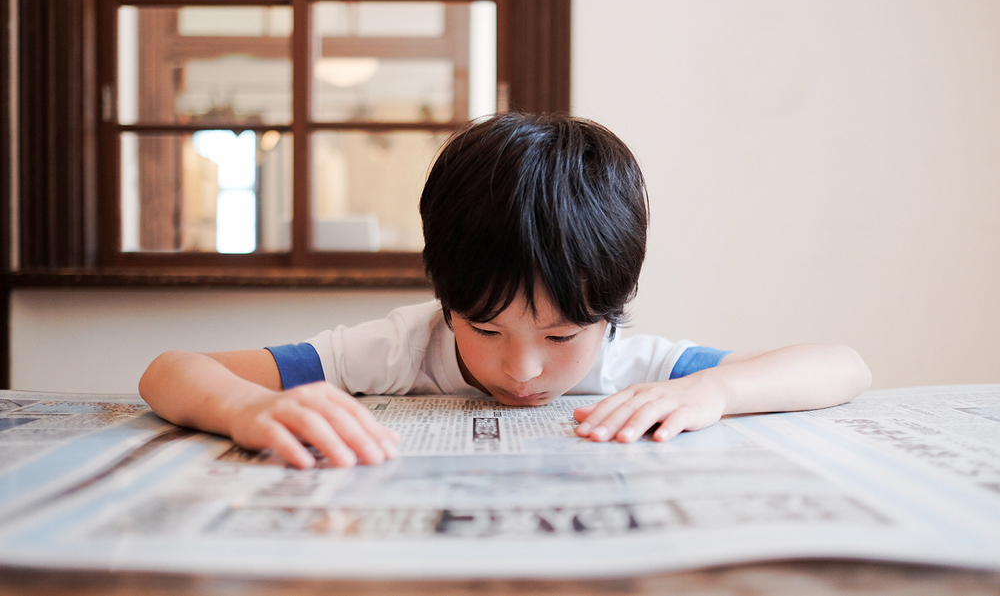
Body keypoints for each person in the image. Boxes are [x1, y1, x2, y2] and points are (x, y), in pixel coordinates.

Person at [139, 113, 871, 470]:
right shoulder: (400, 348)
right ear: (445, 300)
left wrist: (711, 391)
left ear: (609, 314)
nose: (522, 369)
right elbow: (167, 369)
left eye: (560, 337)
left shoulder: (634, 369)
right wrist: (247, 405)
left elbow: (845, 366)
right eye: (484, 331)